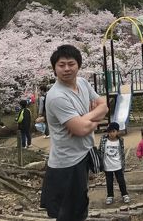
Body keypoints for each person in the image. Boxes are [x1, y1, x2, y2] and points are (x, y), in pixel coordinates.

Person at [40, 44, 108, 221]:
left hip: (82, 156)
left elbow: (104, 106)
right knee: (68, 214)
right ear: (54, 68)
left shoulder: (83, 83)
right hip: (66, 164)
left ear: (78, 65)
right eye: (61, 65)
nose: (67, 69)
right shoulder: (57, 96)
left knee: (80, 208)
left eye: (71, 64)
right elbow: (80, 129)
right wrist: (95, 119)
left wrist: (86, 118)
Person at [99, 122, 130, 205]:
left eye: (113, 131)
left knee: (121, 181)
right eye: (109, 131)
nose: (111, 133)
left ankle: (124, 194)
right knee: (109, 182)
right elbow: (100, 151)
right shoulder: (103, 139)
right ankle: (110, 196)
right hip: (107, 166)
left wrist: (123, 163)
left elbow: (122, 152)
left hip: (118, 165)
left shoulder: (120, 140)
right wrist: (100, 163)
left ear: (117, 132)